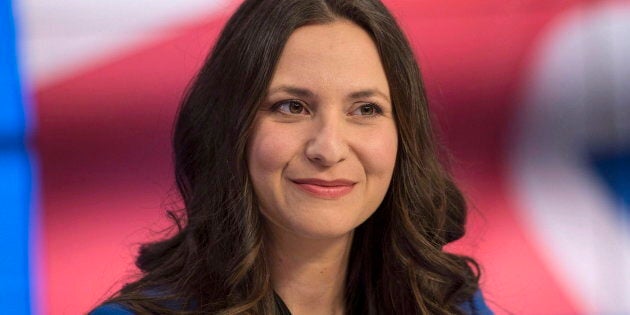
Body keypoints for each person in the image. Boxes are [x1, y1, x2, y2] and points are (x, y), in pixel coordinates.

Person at [91, 0, 493, 314]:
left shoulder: (452, 306)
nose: (329, 149)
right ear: (229, 129)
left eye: (365, 109)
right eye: (291, 107)